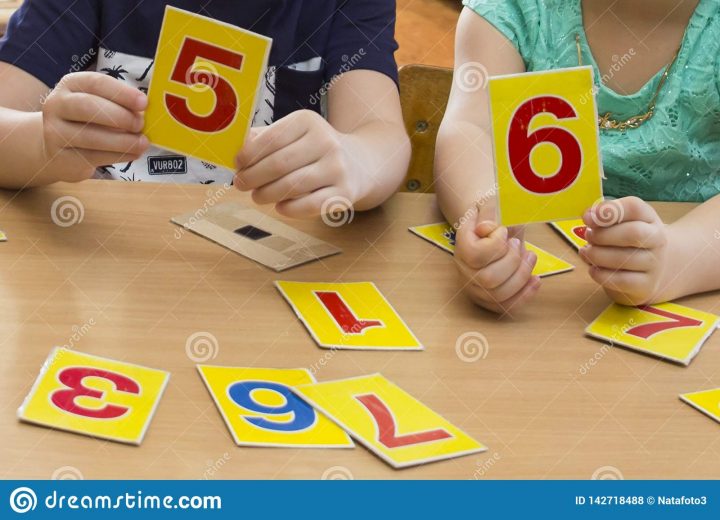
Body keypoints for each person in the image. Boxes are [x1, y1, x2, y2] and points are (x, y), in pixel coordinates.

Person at [0, 1, 410, 218]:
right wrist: (41, 143)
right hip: (100, 259)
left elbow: (381, 136)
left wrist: (354, 163)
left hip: (261, 274)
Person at [435, 0, 720, 313]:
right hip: (541, 301)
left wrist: (677, 258)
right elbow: (469, 128)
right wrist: (484, 219)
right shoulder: (516, 9)